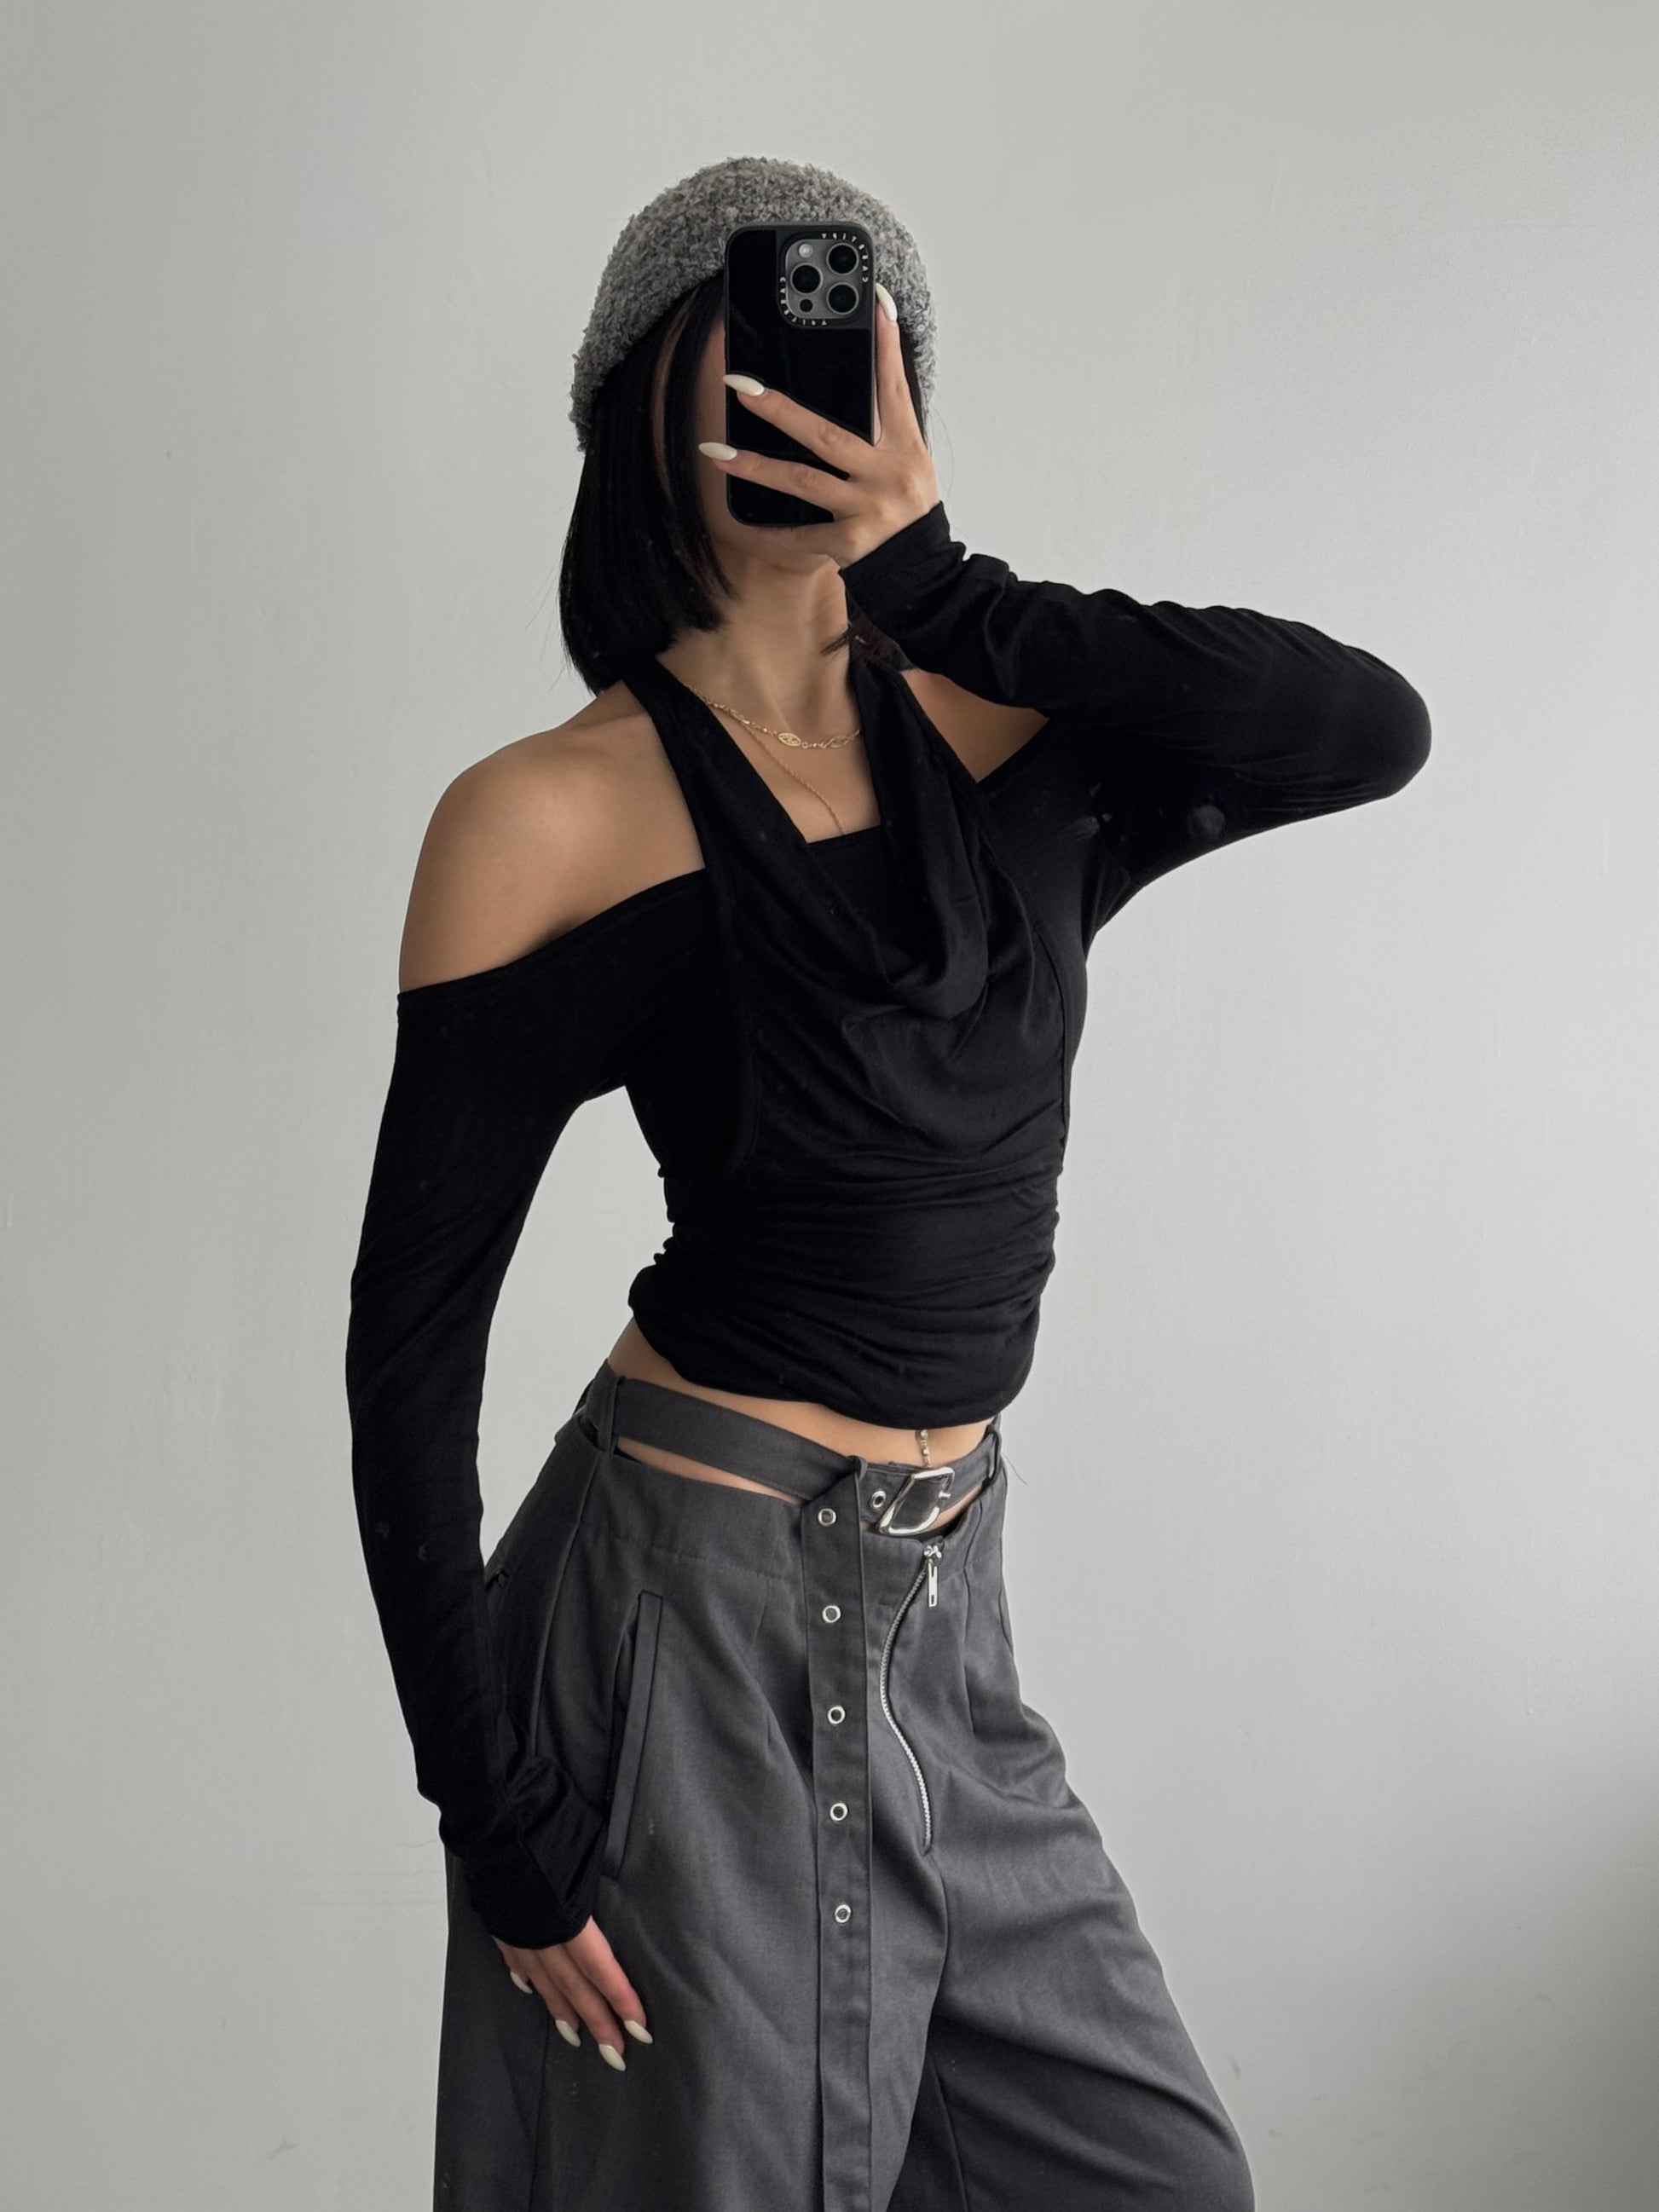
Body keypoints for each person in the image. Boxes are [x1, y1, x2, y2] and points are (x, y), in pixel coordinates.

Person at [344, 155, 1431, 2212]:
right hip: (687, 1618)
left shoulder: (1022, 717)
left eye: (849, 345)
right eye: (746, 345)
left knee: (1160, 2181)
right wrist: (494, 1815)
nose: (797, 386)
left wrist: (946, 583)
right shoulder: (542, 816)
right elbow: (407, 1352)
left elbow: (1367, 726)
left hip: (945, 1614)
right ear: (639, 407)